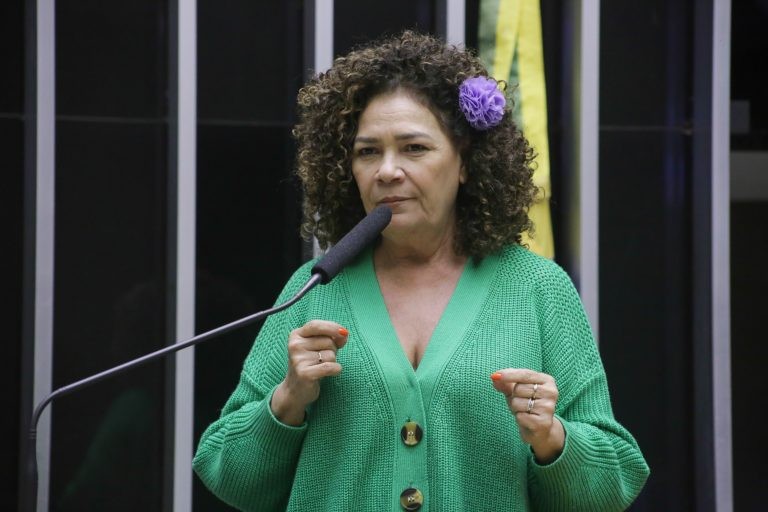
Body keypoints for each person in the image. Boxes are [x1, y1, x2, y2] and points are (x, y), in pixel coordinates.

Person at [192, 30, 650, 511]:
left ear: (467, 164)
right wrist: (287, 399)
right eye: (368, 152)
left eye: (414, 148)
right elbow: (229, 476)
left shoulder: (539, 288)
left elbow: (612, 486)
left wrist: (550, 437)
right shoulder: (315, 288)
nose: (386, 171)